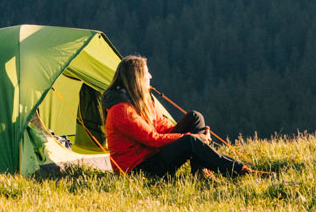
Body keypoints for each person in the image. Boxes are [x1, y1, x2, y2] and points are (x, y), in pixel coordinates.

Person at [101, 54, 260, 178]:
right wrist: (192, 138)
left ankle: (200, 172)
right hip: (138, 169)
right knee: (190, 140)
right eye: (146, 73)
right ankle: (241, 171)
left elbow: (163, 127)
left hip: (152, 156)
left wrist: (191, 137)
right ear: (137, 79)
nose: (150, 76)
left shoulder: (142, 100)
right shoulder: (121, 110)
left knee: (195, 117)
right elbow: (152, 139)